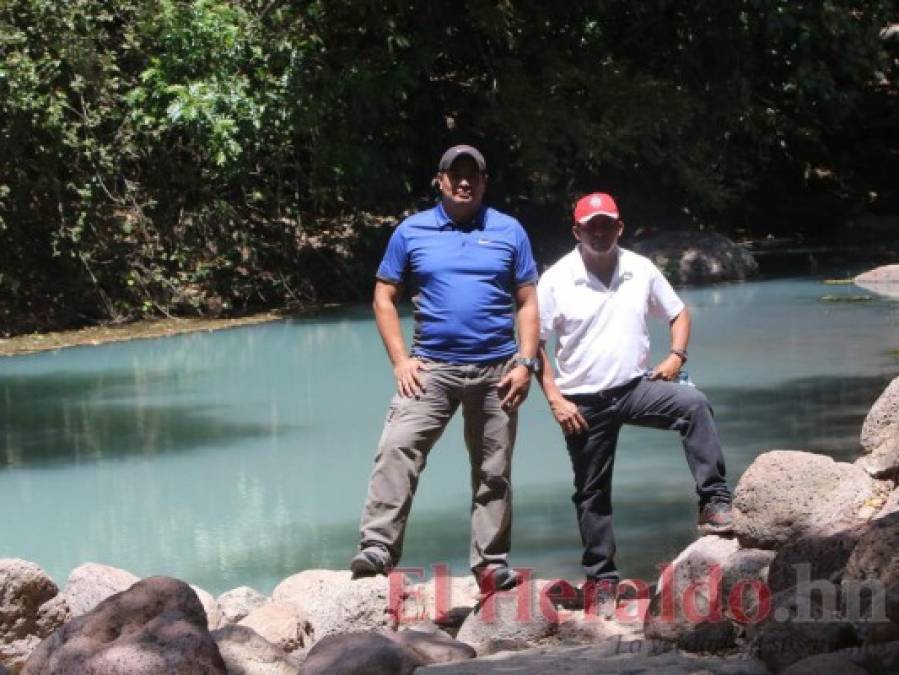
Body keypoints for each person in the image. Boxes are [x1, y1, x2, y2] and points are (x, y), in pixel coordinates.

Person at [351, 145, 540, 593]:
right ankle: (377, 547)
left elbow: (529, 302)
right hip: (430, 369)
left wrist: (526, 363)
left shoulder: (509, 231)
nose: (463, 182)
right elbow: (383, 297)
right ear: (439, 180)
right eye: (455, 174)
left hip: (497, 369)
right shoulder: (411, 231)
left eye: (472, 174)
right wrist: (400, 359)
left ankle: (490, 563)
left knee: (494, 470)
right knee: (397, 449)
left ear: (484, 180)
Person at [536, 192, 734, 613]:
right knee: (592, 493)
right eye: (592, 225)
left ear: (620, 227)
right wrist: (554, 399)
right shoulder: (555, 279)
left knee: (693, 405)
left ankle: (713, 501)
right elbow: (533, 344)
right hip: (581, 402)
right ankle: (601, 582)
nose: (600, 231)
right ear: (577, 231)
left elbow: (678, 313)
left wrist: (675, 356)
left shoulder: (640, 269)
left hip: (634, 387)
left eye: (607, 223)